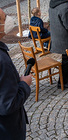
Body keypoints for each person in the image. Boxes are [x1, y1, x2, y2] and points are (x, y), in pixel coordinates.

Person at [0, 8, 32, 140]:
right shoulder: (2, 61)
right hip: (8, 131)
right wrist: (25, 84)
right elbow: (8, 104)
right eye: (4, 18)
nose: (8, 20)